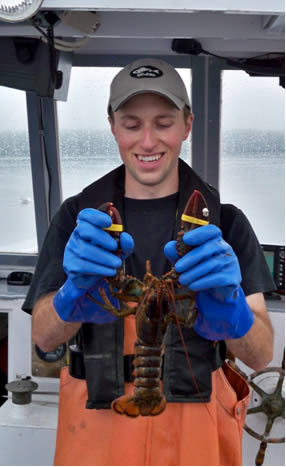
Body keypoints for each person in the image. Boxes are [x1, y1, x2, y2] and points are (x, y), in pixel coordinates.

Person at [23, 58, 275, 466]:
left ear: (187, 125)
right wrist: (71, 297)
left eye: (163, 122)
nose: (147, 142)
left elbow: (261, 356)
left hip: (194, 421)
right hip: (97, 424)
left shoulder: (225, 222)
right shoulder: (77, 218)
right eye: (132, 124)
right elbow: (44, 337)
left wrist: (235, 317)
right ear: (112, 126)